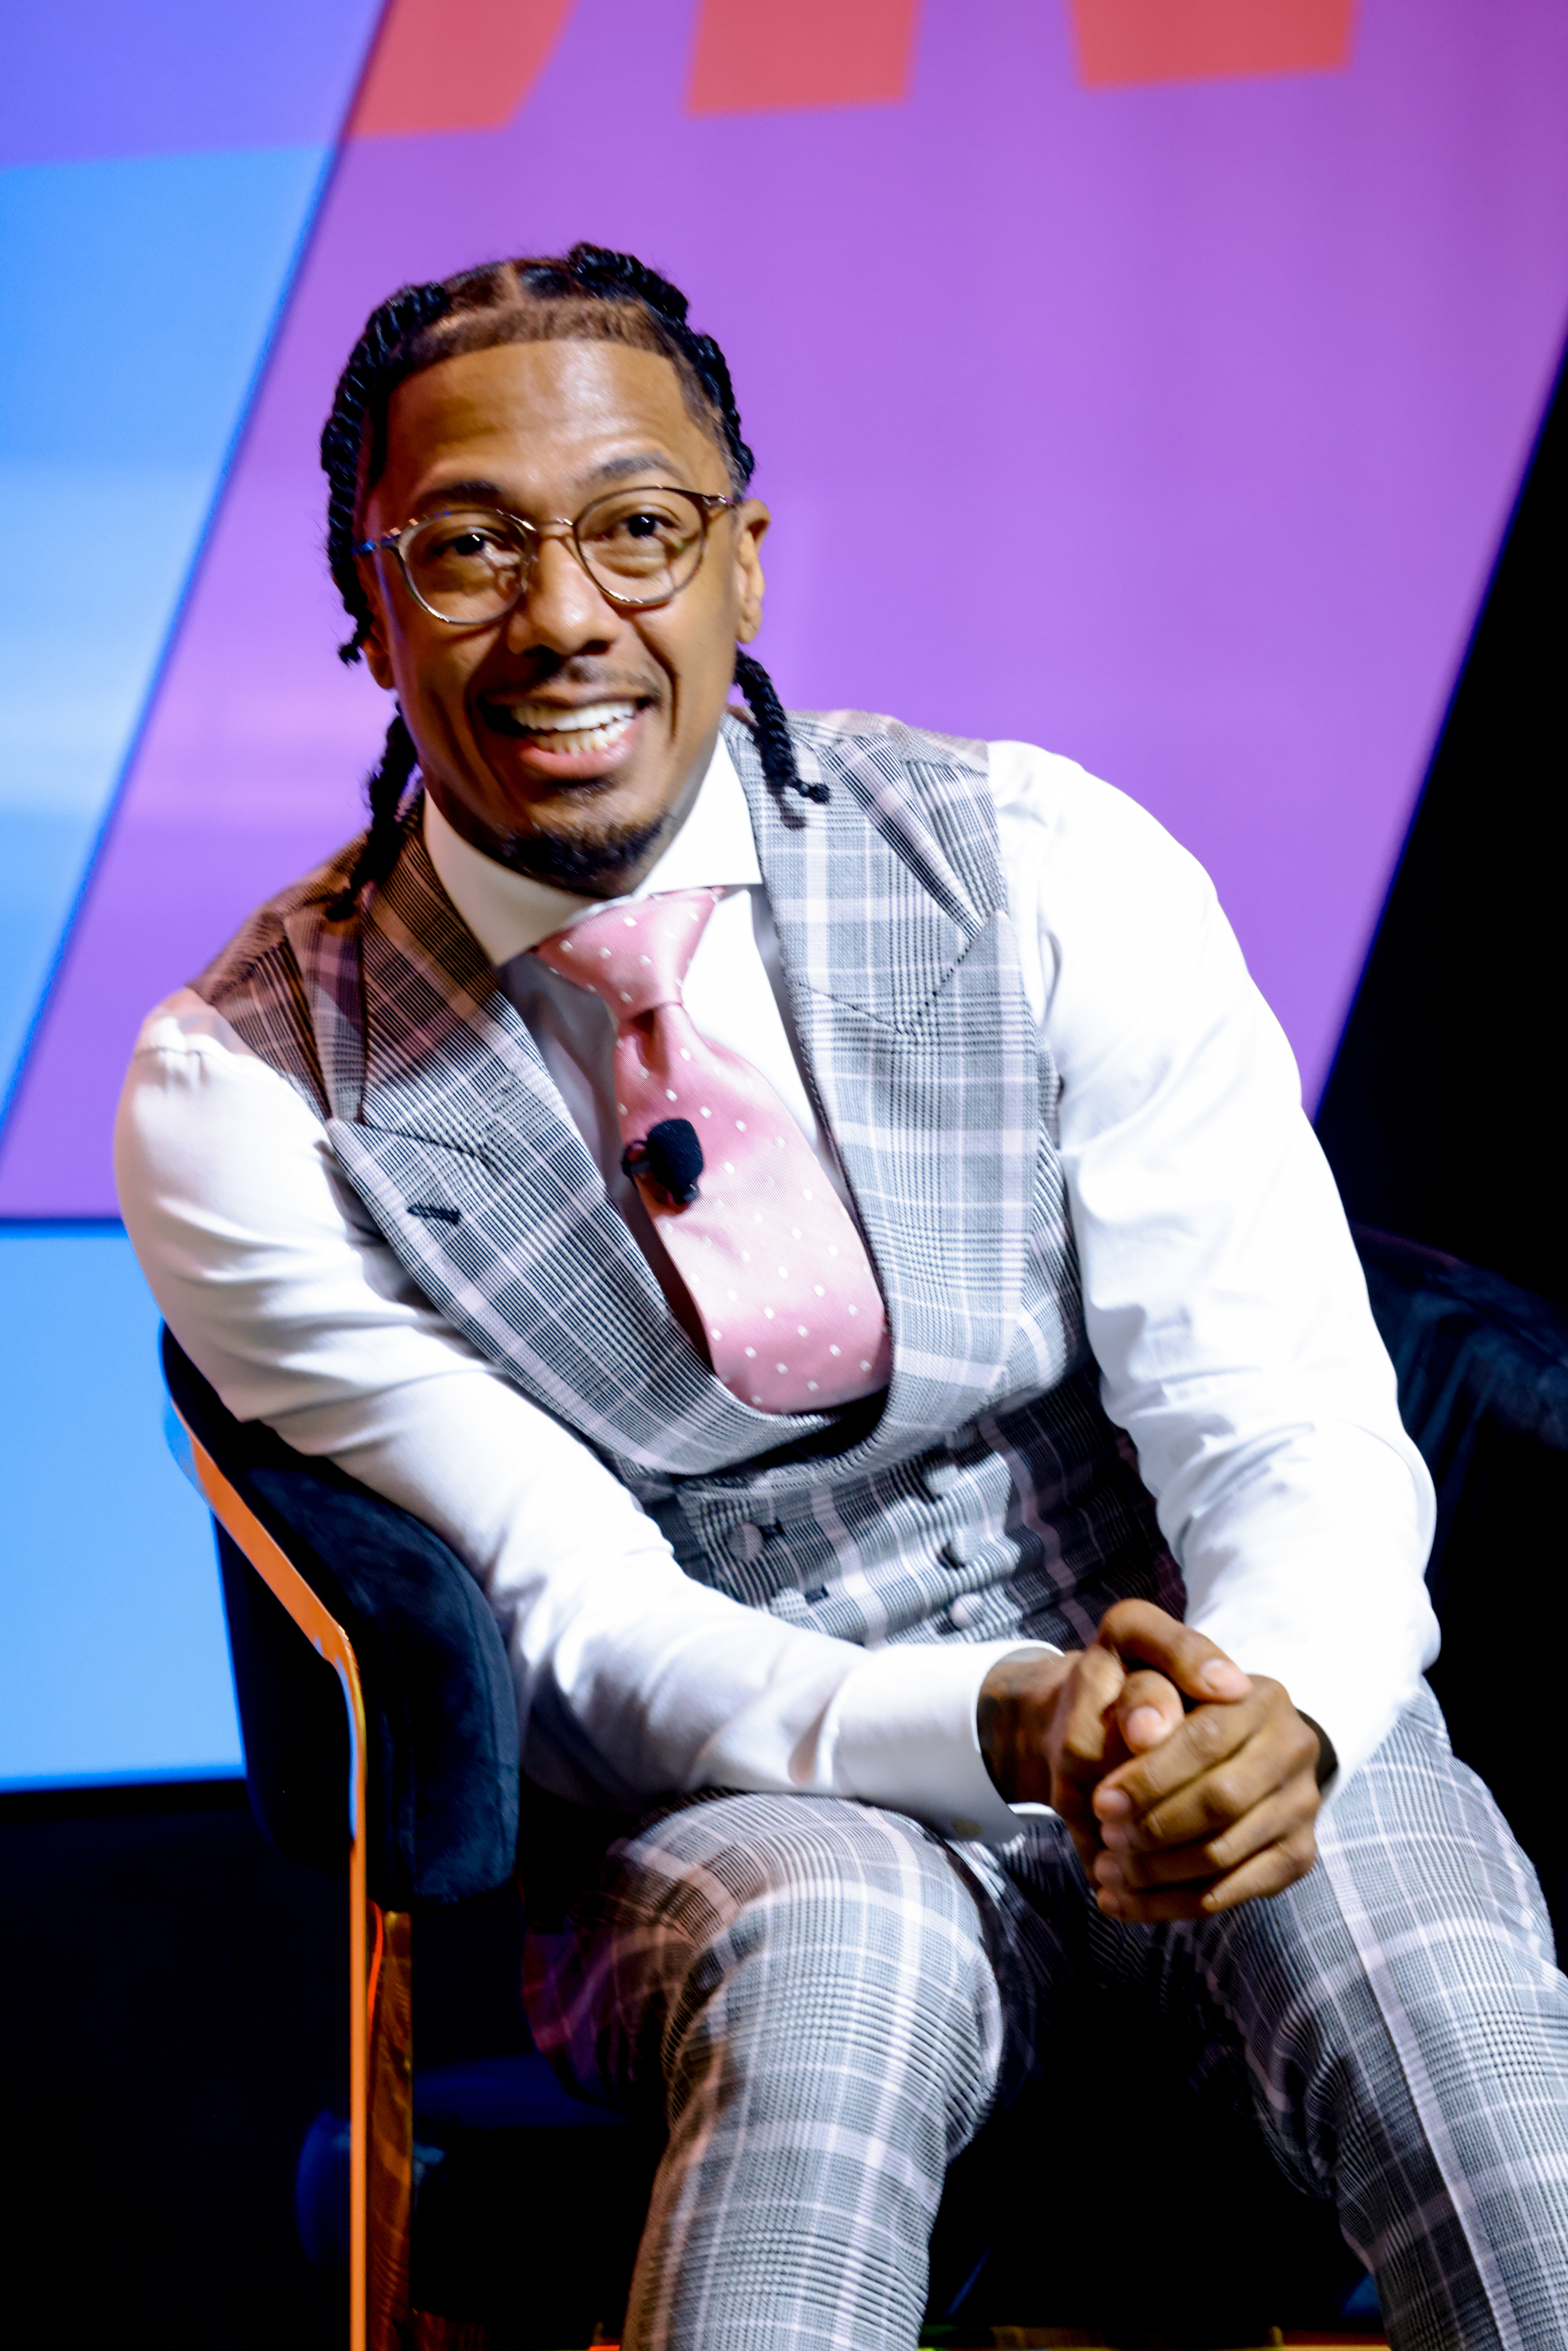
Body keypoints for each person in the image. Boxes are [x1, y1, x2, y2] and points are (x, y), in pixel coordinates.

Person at [116, 245, 1568, 2351]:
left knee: (1408, 1939)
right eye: (463, 549)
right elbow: (585, 1631)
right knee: (842, 1949)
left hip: (1194, 1705)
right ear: (362, 605)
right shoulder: (244, 1092)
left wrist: (1284, 1712)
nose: (561, 619)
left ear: (745, 566)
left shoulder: (1048, 864)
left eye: (637, 529)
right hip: (722, 1828)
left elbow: (1281, 1413)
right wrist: (997, 1723)